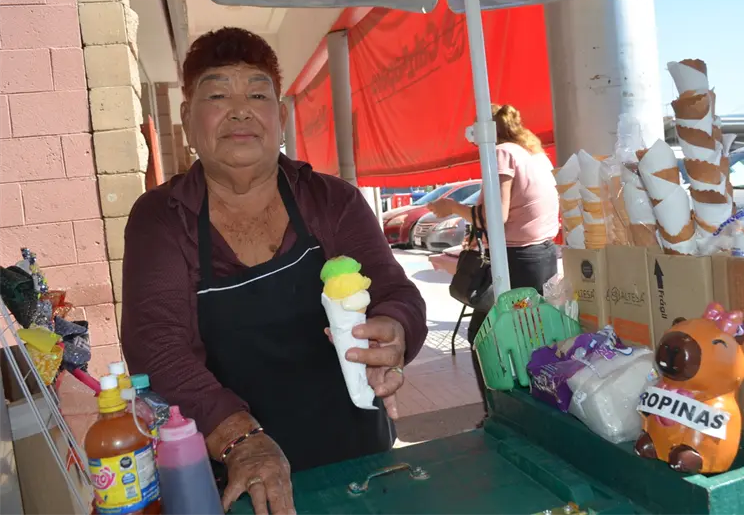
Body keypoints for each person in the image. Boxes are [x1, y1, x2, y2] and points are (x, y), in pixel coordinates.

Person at [120, 27, 427, 515]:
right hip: (237, 477)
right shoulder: (162, 217)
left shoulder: (331, 201)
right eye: (218, 94)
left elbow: (396, 293)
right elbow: (154, 344)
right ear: (186, 117)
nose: (240, 110)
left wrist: (395, 332)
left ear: (279, 116)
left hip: (360, 465)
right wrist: (240, 438)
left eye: (258, 94)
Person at [427, 103, 559, 416]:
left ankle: (499, 414)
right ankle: (532, 413)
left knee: (483, 336)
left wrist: (452, 207)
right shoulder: (534, 155)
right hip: (541, 256)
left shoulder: (502, 154)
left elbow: (493, 217)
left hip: (515, 260)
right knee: (531, 339)